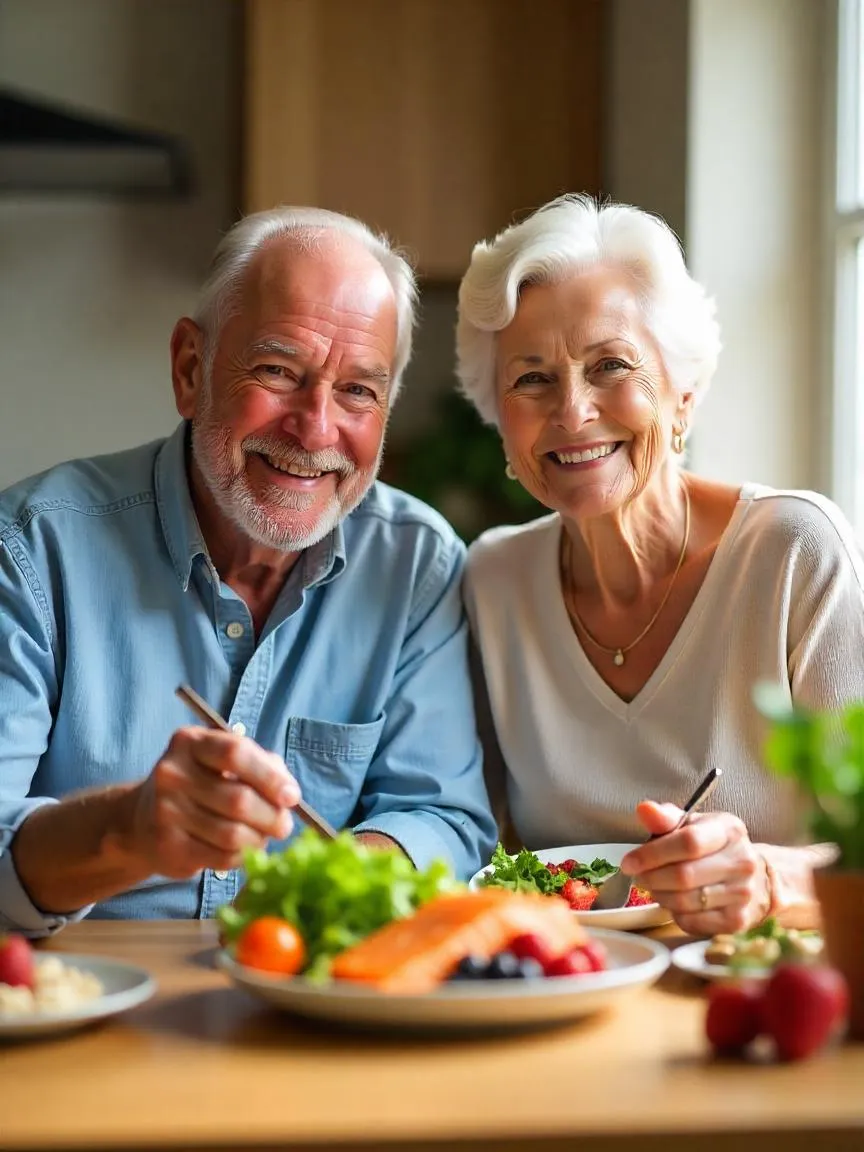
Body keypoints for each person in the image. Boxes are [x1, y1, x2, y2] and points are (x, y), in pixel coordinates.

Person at [0, 206, 495, 935]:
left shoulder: (415, 563)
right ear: (190, 368)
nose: (315, 427)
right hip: (78, 999)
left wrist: (313, 892)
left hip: (312, 1004)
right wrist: (130, 830)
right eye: (278, 371)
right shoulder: (31, 550)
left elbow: (441, 818)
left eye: (359, 389)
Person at [457, 194, 864, 936]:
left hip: (756, 990)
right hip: (563, 992)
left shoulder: (793, 553)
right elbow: (485, 844)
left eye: (610, 364)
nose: (573, 411)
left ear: (683, 395)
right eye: (532, 378)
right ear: (501, 420)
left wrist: (770, 880)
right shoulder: (492, 581)